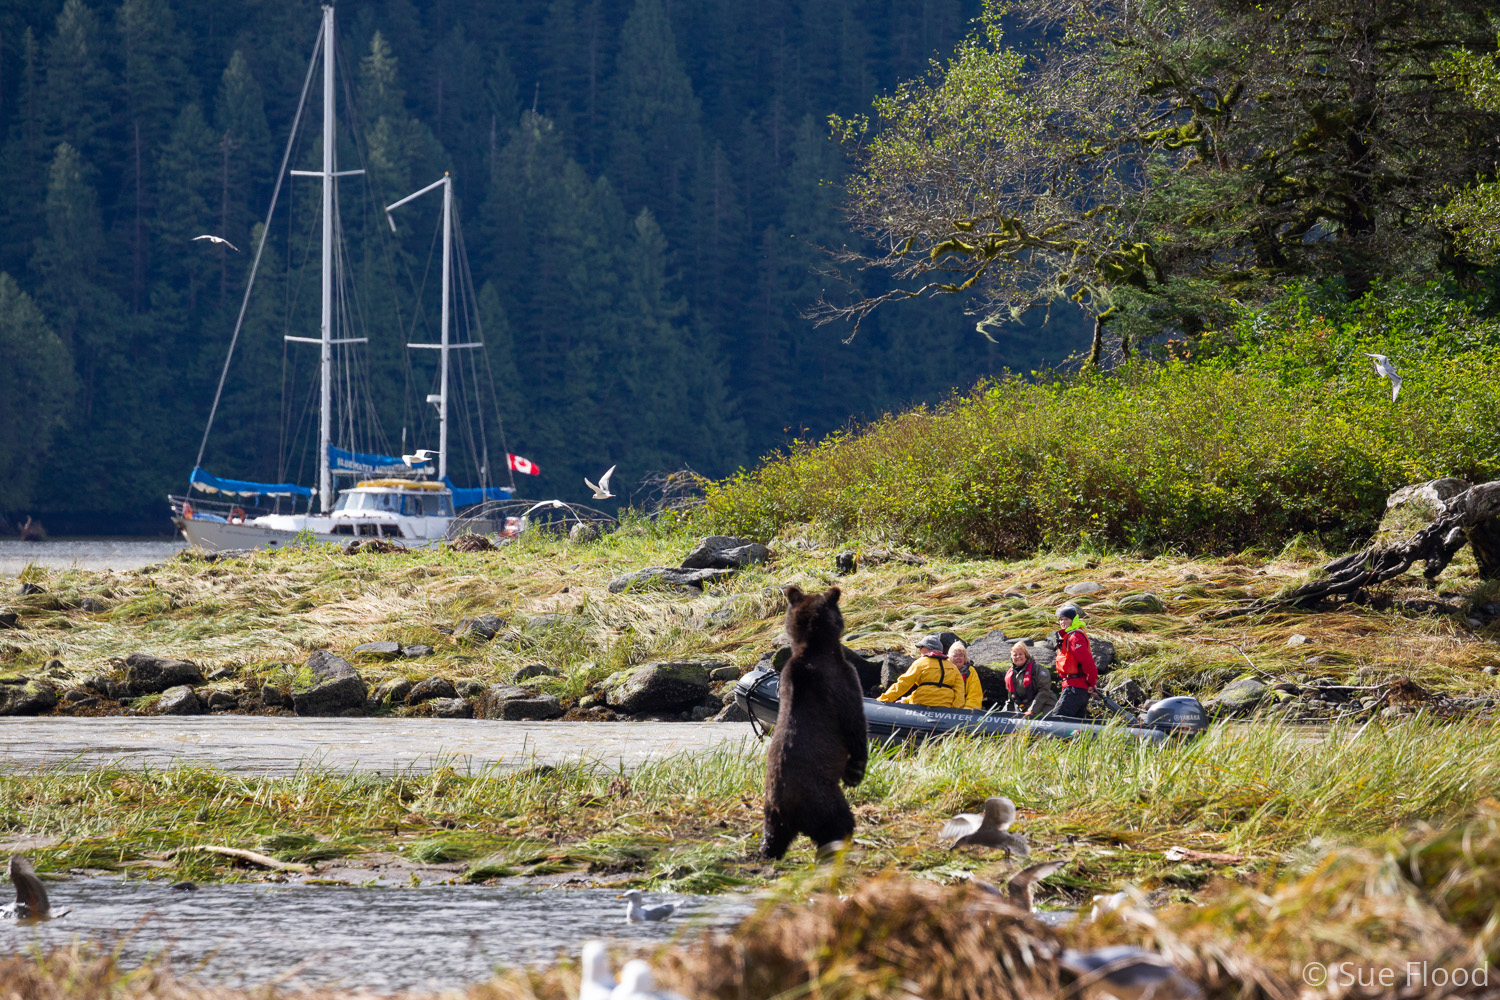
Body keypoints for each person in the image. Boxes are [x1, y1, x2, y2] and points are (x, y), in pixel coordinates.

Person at [878, 633, 983, 709]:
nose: (919, 650)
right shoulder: (952, 668)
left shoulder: (921, 663)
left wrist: (884, 699)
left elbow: (903, 684)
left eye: (921, 647)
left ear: (927, 649)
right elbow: (959, 692)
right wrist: (955, 710)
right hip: (946, 708)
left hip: (921, 706)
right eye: (955, 655)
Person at [1043, 602, 1097, 720]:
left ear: (1073, 620)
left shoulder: (1075, 638)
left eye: (1066, 619)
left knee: (1058, 719)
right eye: (1061, 619)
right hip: (1076, 687)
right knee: (1076, 721)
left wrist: (1092, 683)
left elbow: (1088, 663)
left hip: (1075, 688)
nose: (1062, 622)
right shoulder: (1069, 636)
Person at [1003, 640, 1057, 717]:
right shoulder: (1010, 675)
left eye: (1020, 654)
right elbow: (1011, 699)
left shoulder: (1038, 669)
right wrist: (1002, 714)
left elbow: (1044, 691)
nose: (1018, 657)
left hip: (1044, 705)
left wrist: (1032, 711)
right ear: (1011, 658)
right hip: (1024, 708)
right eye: (1015, 655)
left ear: (1026, 655)